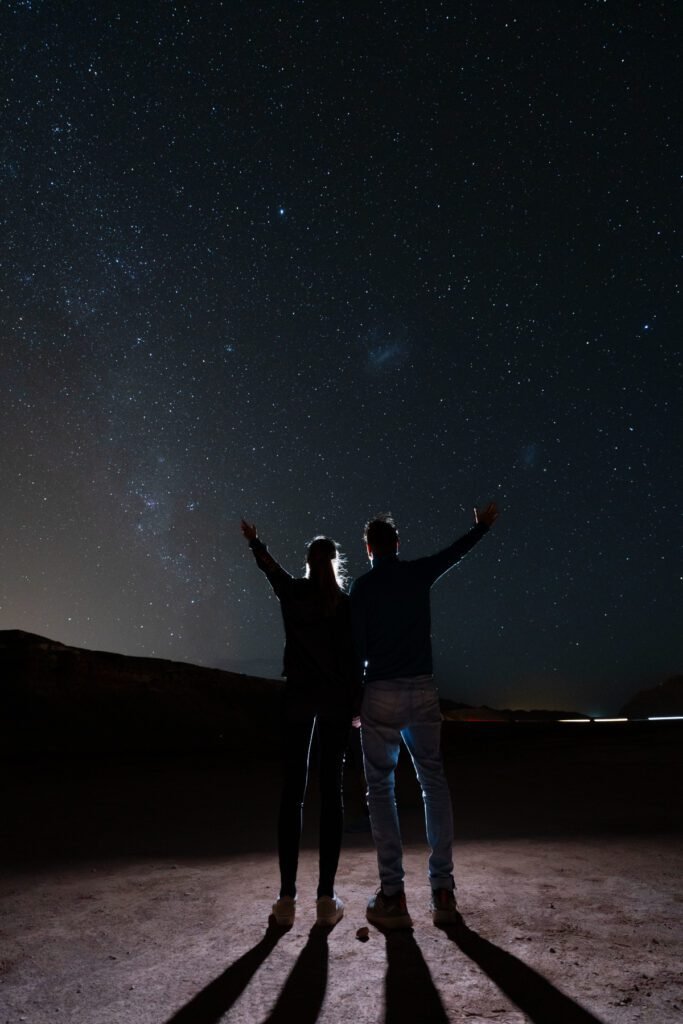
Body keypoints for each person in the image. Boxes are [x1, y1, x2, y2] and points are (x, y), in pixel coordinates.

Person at [349, 503, 499, 929]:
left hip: (379, 690)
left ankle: (393, 895)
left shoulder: (362, 588)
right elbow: (454, 554)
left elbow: (356, 649)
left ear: (367, 548)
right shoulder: (417, 573)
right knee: (433, 781)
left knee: (381, 789)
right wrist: (481, 529)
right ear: (397, 544)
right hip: (421, 689)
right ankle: (443, 891)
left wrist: (356, 700)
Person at [241, 519, 360, 928]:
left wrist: (257, 542)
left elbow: (270, 571)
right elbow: (351, 659)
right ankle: (326, 898)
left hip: (298, 700)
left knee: (293, 794)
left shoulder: (293, 593)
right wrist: (356, 704)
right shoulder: (344, 605)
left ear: (308, 563)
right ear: (335, 563)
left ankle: (286, 898)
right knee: (331, 796)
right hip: (335, 702)